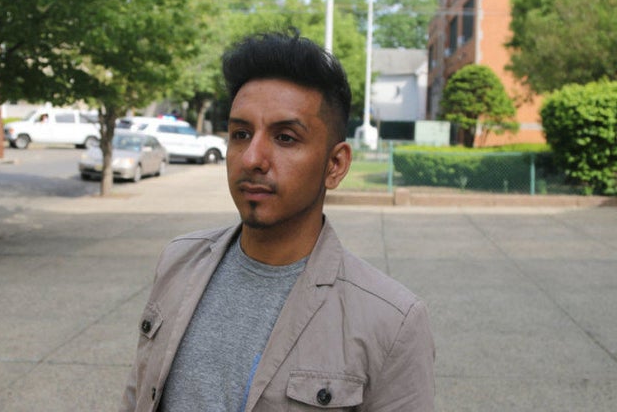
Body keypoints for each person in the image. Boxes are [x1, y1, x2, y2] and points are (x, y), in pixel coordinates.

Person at [119, 31, 435, 411]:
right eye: (240, 133)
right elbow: (138, 394)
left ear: (335, 165)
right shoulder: (179, 261)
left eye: (285, 138)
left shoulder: (391, 321)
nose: (252, 157)